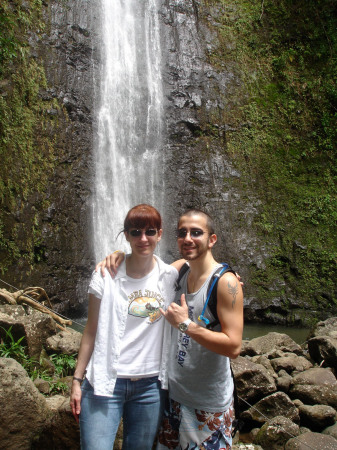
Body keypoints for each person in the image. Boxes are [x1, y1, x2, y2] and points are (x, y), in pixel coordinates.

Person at [100, 209, 244, 449]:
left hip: (207, 403)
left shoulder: (225, 283)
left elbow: (234, 346)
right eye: (182, 232)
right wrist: (117, 255)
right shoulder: (178, 271)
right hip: (172, 396)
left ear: (212, 239)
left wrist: (186, 325)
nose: (188, 238)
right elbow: (142, 262)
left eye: (196, 232)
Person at [70, 204, 179, 450]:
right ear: (126, 235)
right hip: (105, 382)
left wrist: (229, 276)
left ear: (160, 234)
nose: (143, 238)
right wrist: (77, 380)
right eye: (135, 232)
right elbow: (90, 329)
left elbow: (200, 264)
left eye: (150, 231)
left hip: (150, 387)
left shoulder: (170, 277)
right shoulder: (105, 275)